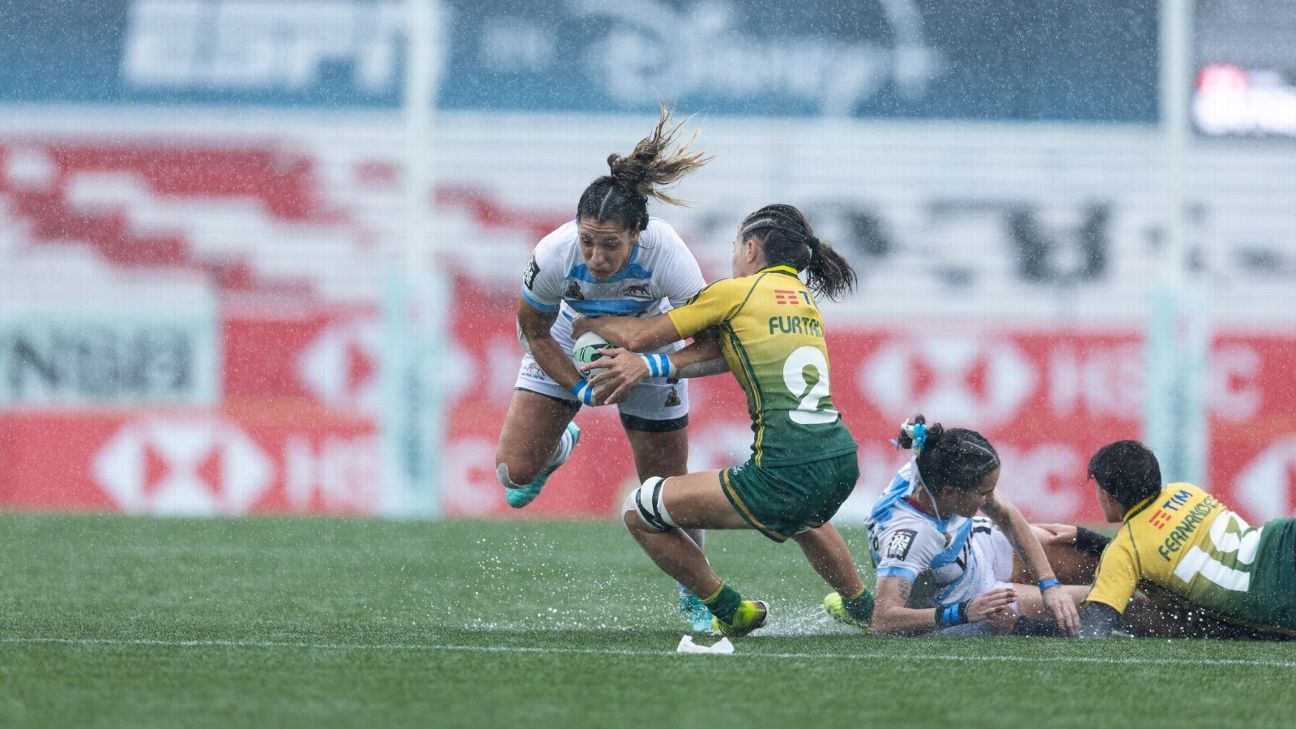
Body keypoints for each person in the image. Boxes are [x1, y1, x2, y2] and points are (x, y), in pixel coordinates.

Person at [572, 203, 876, 636]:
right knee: (804, 514)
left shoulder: (736, 291)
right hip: (841, 460)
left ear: (751, 249)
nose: (733, 254)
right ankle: (861, 605)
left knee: (638, 510)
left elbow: (641, 336)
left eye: (735, 245)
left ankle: (731, 609)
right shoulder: (805, 301)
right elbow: (721, 353)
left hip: (783, 469)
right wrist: (654, 367)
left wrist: (589, 322)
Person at [494, 105, 715, 630]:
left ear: (639, 232)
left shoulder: (668, 254)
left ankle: (698, 592)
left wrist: (649, 364)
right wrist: (580, 389)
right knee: (513, 475)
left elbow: (711, 343)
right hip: (567, 344)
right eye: (588, 240)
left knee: (667, 493)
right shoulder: (553, 254)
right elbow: (534, 330)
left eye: (610, 244)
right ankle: (560, 444)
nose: (595, 256)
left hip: (644, 350)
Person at [859, 416, 1099, 636]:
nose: (990, 499)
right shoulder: (914, 535)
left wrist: (1050, 585)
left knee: (1105, 564)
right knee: (1125, 604)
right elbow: (883, 620)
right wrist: (962, 612)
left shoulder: (931, 466)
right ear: (949, 493)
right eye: (983, 493)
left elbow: (1005, 514)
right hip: (979, 597)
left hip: (979, 545)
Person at [1079, 440, 1296, 639]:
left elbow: (1096, 629)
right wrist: (1084, 538)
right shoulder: (1184, 490)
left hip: (1275, 592)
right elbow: (1164, 536)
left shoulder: (1125, 550)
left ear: (1107, 496)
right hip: (1282, 537)